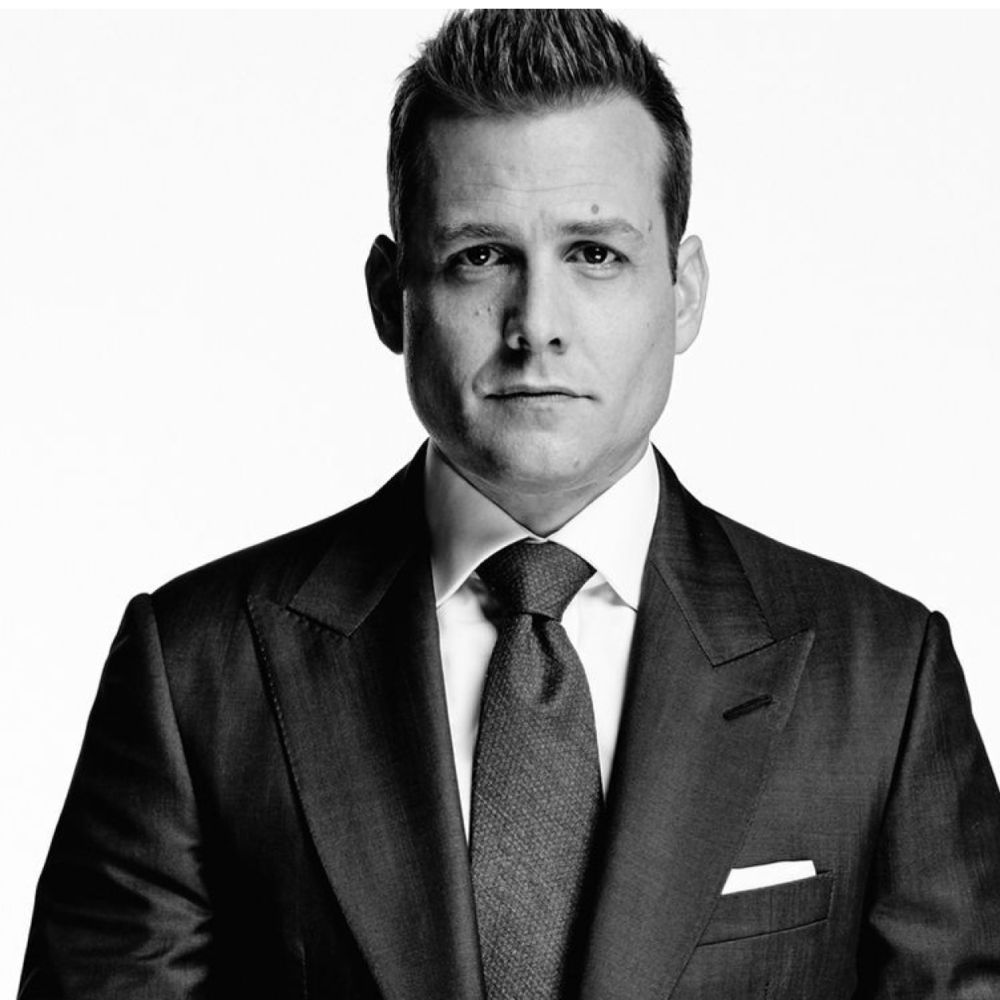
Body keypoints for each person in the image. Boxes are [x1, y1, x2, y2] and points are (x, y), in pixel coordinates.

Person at [18, 8, 1000, 999]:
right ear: (390, 294)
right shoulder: (196, 671)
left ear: (684, 291)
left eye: (595, 254)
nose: (537, 325)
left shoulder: (883, 681)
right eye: (481, 256)